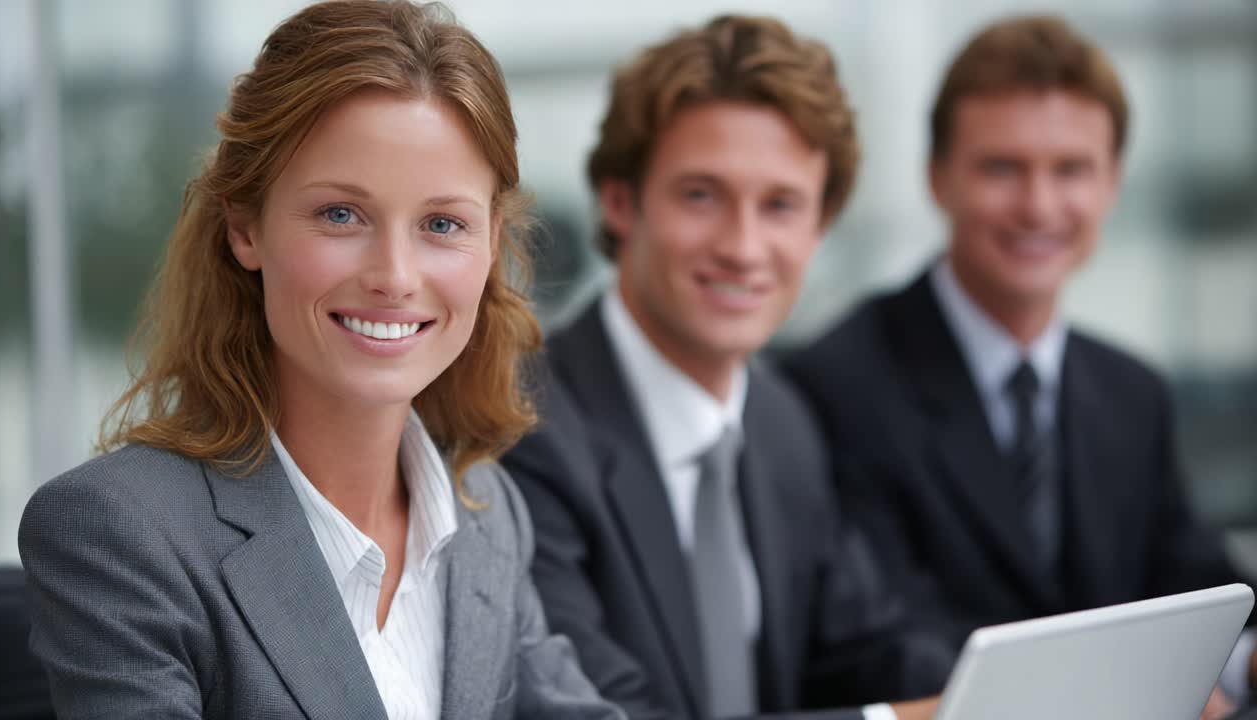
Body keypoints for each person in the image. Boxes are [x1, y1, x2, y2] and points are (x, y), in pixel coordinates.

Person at [17, 2, 624, 718]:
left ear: (492, 242)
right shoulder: (118, 535)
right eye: (341, 214)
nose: (394, 275)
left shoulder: (486, 513)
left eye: (442, 224)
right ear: (245, 227)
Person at [782, 14, 1256, 717]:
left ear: (1111, 185)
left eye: (1071, 169)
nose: (1038, 206)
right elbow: (880, 640)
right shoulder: (836, 383)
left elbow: (1192, 585)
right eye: (1002, 168)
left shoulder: (1131, 392)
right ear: (937, 179)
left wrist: (1246, 659)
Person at [501, 15, 953, 720]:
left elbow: (869, 643)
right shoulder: (520, 424)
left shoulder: (781, 421)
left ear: (819, 228)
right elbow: (603, 713)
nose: (744, 247)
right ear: (621, 203)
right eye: (701, 196)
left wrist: (1011, 684)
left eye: (780, 205)